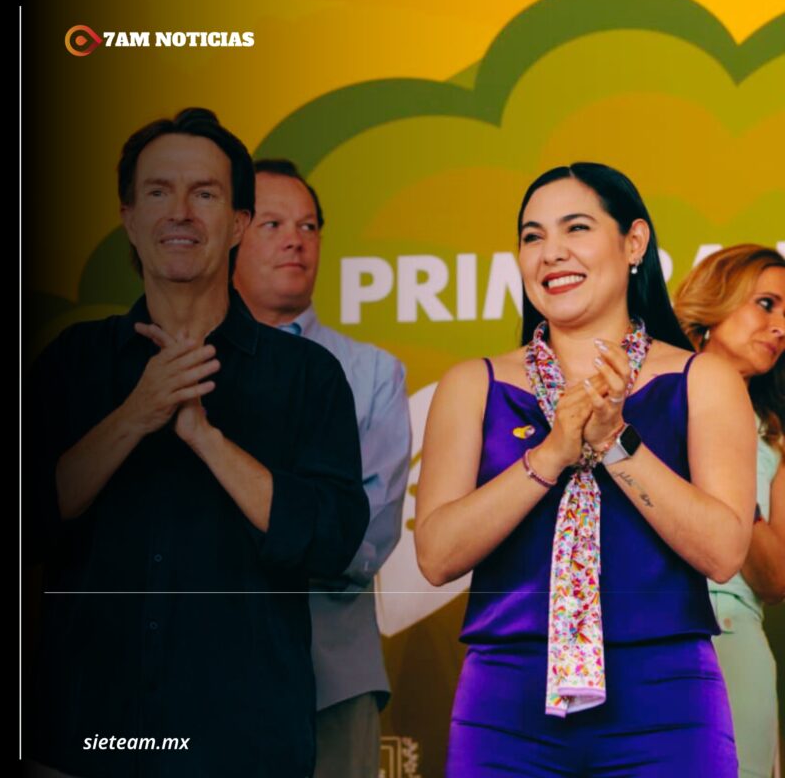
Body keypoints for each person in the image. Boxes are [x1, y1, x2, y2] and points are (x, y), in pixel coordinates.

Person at [24, 109, 369, 778]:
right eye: (158, 192)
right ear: (128, 217)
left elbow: (331, 541)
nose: (179, 212)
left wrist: (205, 439)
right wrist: (136, 414)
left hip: (244, 747)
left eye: (204, 194)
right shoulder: (73, 362)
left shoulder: (307, 374)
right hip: (85, 741)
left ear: (238, 222)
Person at [415, 162, 756, 777]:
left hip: (667, 698)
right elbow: (436, 556)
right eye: (533, 236)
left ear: (634, 242)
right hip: (505, 705)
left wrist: (616, 443)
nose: (551, 253)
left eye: (576, 228)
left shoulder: (703, 379)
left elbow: (724, 551)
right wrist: (550, 455)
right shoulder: (472, 385)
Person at [234, 159, 411, 778]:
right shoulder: (186, 365)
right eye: (273, 224)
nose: (295, 240)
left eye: (308, 226)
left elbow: (363, 541)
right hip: (199, 669)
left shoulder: (371, 372)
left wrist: (248, 544)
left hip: (331, 676)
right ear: (230, 233)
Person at [674, 244, 784, 778]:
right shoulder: (638, 398)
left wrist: (735, 493)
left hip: (731, 630)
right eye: (766, 304)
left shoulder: (776, 438)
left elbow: (776, 578)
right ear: (715, 301)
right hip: (632, 632)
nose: (780, 327)